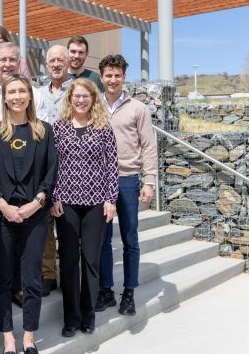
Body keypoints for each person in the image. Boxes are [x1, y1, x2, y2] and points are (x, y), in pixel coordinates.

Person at [0, 75, 56, 354]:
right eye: (11, 92)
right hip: (3, 216)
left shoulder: (44, 131)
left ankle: (28, 337)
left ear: (30, 96)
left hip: (34, 216)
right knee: (1, 280)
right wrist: (2, 204)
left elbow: (51, 174)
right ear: (5, 97)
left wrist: (34, 204)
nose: (16, 96)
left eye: (22, 91)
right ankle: (8, 340)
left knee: (31, 279)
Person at [51, 78, 118, 338]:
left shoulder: (103, 128)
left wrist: (111, 199)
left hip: (95, 204)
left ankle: (88, 316)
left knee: (90, 261)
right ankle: (71, 318)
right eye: (76, 96)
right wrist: (54, 197)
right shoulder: (59, 128)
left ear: (93, 99)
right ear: (70, 99)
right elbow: (52, 166)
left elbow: (112, 166)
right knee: (68, 262)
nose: (80, 100)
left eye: (85, 96)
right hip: (65, 203)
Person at [96, 54, 157, 316]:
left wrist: (150, 180)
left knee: (130, 238)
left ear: (123, 77)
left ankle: (129, 292)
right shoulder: (94, 104)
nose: (112, 80)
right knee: (102, 240)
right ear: (101, 77)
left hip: (128, 180)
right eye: (108, 75)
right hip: (97, 181)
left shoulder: (138, 108)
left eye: (117, 75)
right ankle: (106, 290)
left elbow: (149, 146)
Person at [35, 45, 70, 297]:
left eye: (61, 60)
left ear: (68, 63)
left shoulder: (78, 92)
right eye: (52, 61)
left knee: (68, 223)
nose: (56, 64)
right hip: (45, 163)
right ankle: (49, 274)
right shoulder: (38, 94)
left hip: (72, 166)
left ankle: (69, 272)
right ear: (46, 65)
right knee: (46, 222)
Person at [0, 42, 43, 122]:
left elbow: (42, 129)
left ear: (19, 63)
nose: (7, 64)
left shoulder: (34, 94)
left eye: (12, 60)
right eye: (3, 60)